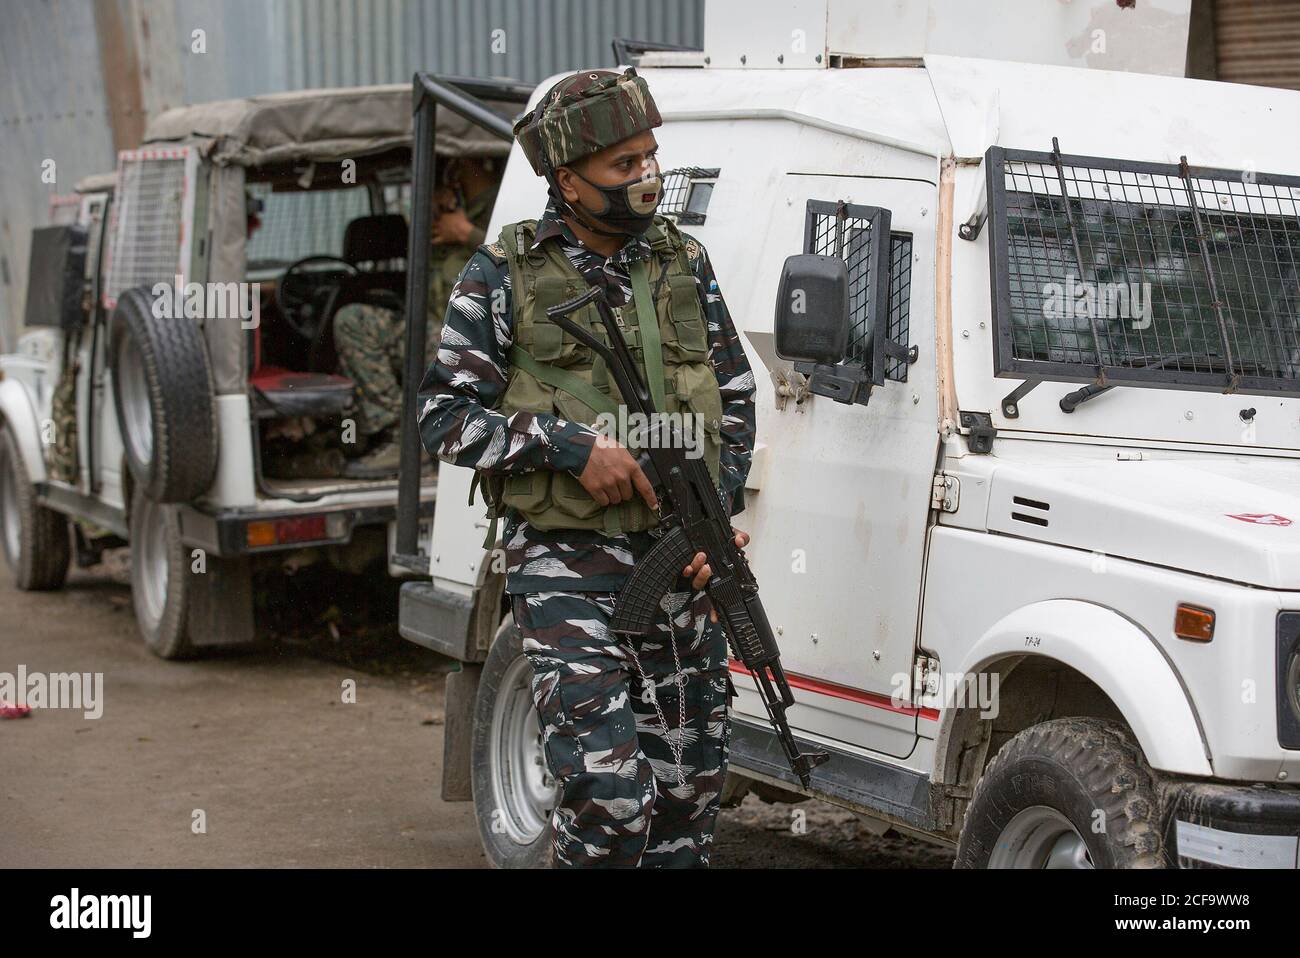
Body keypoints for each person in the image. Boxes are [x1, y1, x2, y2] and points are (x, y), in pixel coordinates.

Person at [416, 68, 757, 868]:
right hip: (565, 569)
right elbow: (443, 415)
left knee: (687, 797)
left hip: (678, 566)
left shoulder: (683, 263)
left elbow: (735, 396)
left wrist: (714, 514)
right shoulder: (504, 274)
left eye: (650, 157)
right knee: (609, 800)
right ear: (566, 179)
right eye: (622, 165)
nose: (646, 178)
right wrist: (570, 450)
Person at [334, 155, 500, 478]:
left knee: (355, 323)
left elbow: (524, 261)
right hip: (436, 329)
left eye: (451, 171)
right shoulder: (449, 211)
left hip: (474, 341)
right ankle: (398, 432)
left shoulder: (503, 204)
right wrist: (436, 211)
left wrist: (465, 232)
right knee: (354, 321)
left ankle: (407, 441)